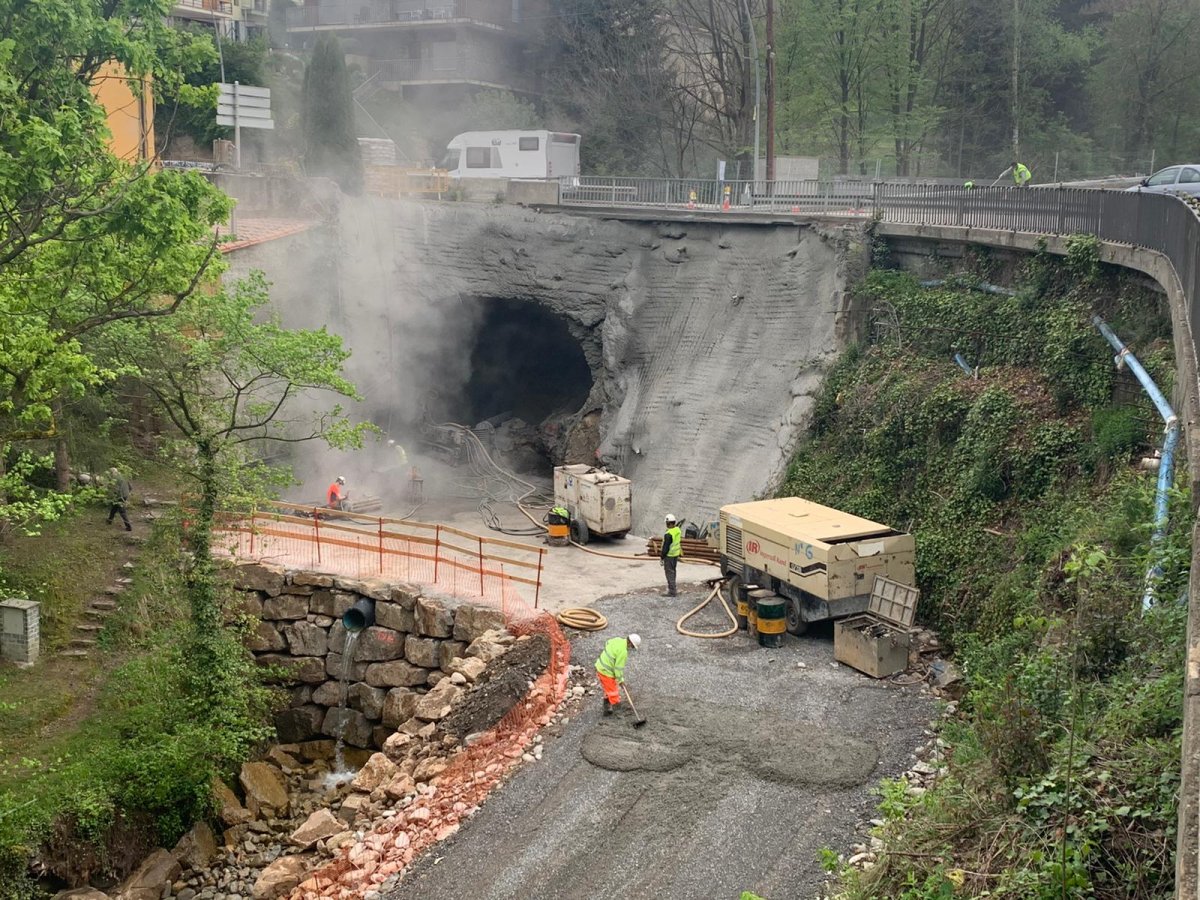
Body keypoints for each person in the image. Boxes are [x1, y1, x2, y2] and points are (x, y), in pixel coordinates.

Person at [595, 633, 641, 715]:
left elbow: (607, 643)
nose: (631, 648)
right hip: (606, 672)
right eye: (632, 647)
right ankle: (617, 711)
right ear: (630, 643)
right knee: (613, 692)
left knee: (608, 689)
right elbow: (618, 669)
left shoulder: (617, 639)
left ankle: (607, 707)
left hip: (600, 666)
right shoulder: (623, 652)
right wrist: (620, 680)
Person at [660, 513, 683, 596]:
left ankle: (672, 591)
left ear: (668, 523)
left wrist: (662, 557)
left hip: (669, 556)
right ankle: (673, 588)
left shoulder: (668, 534)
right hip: (675, 555)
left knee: (669, 572)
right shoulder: (677, 530)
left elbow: (666, 547)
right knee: (673, 571)